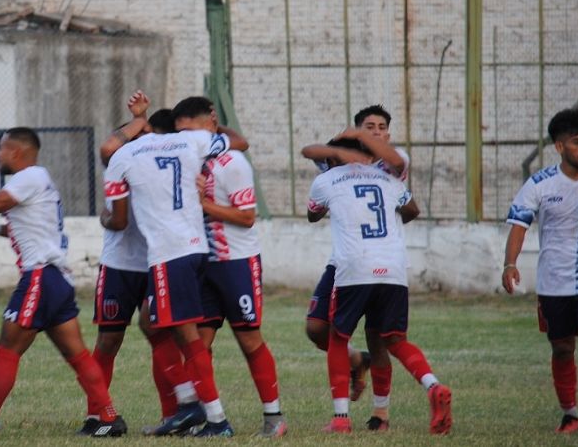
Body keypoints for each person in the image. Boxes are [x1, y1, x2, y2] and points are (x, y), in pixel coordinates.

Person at [0, 127, 126, 438]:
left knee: (7, 349)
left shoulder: (27, 178)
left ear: (17, 152)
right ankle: (109, 417)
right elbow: (28, 227)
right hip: (57, 279)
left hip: (39, 278)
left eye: (2, 149)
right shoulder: (40, 179)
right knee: (77, 355)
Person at [100, 95, 237, 437]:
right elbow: (240, 141)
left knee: (186, 335)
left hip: (167, 254)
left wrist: (103, 216)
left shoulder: (123, 156)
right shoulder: (189, 140)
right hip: (195, 249)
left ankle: (216, 419)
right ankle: (188, 403)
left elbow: (116, 219)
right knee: (152, 322)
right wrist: (210, 123)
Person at [306, 142, 452, 434]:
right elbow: (411, 209)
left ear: (335, 156)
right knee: (395, 341)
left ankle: (341, 419)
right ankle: (432, 385)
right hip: (394, 268)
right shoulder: (389, 179)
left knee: (338, 337)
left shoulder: (326, 180)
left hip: (355, 267)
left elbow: (313, 214)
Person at [301, 104, 409, 430]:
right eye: (367, 127)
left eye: (380, 127)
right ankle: (354, 359)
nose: (375, 132)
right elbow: (310, 151)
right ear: (356, 130)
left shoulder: (392, 164)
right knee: (316, 329)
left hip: (378, 261)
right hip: (344, 261)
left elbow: (411, 206)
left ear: (388, 134)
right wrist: (342, 152)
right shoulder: (346, 157)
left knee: (378, 338)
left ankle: (380, 413)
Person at [83, 97, 184, 434]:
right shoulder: (128, 158)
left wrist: (140, 120)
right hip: (120, 264)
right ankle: (97, 413)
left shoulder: (172, 158)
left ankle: (172, 414)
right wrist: (142, 119)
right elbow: (111, 147)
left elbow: (109, 145)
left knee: (159, 337)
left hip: (158, 262)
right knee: (109, 340)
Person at [192, 103, 285, 438]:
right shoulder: (191, 161)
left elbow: (247, 217)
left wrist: (203, 204)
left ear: (211, 124)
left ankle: (274, 418)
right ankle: (212, 420)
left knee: (249, 340)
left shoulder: (233, 163)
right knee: (197, 345)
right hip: (205, 264)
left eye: (193, 131)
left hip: (237, 265)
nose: (188, 139)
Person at [502, 108, 578, 434]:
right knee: (562, 347)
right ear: (560, 147)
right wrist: (510, 264)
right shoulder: (539, 184)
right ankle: (570, 413)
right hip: (554, 282)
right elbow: (519, 226)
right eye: (577, 142)